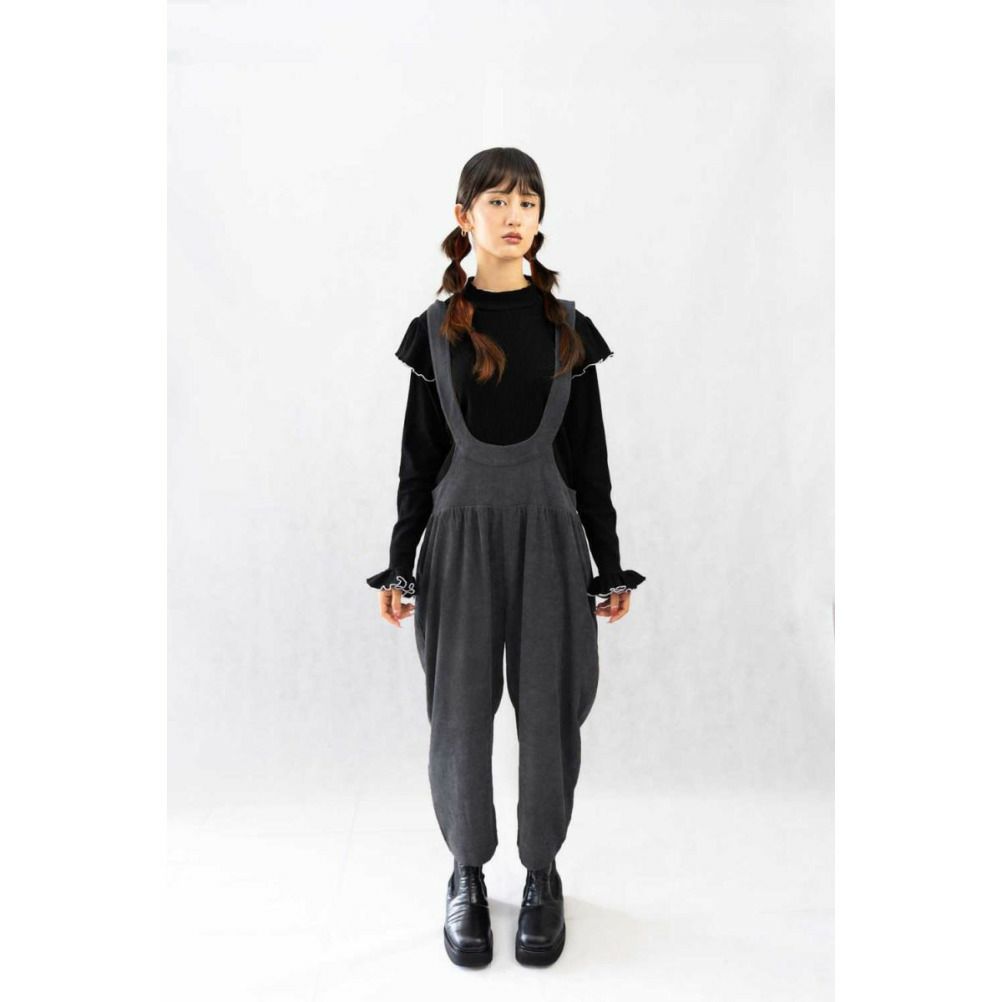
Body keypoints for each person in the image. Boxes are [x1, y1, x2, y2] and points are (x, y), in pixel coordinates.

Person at [366, 147, 645, 967]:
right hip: (457, 544)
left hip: (550, 544)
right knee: (458, 712)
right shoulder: (434, 333)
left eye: (528, 201)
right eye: (497, 201)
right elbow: (418, 461)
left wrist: (608, 563)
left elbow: (589, 461)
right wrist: (400, 560)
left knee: (549, 710)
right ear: (465, 217)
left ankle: (542, 873)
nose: (515, 215)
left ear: (540, 217)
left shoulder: (567, 332)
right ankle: (465, 872)